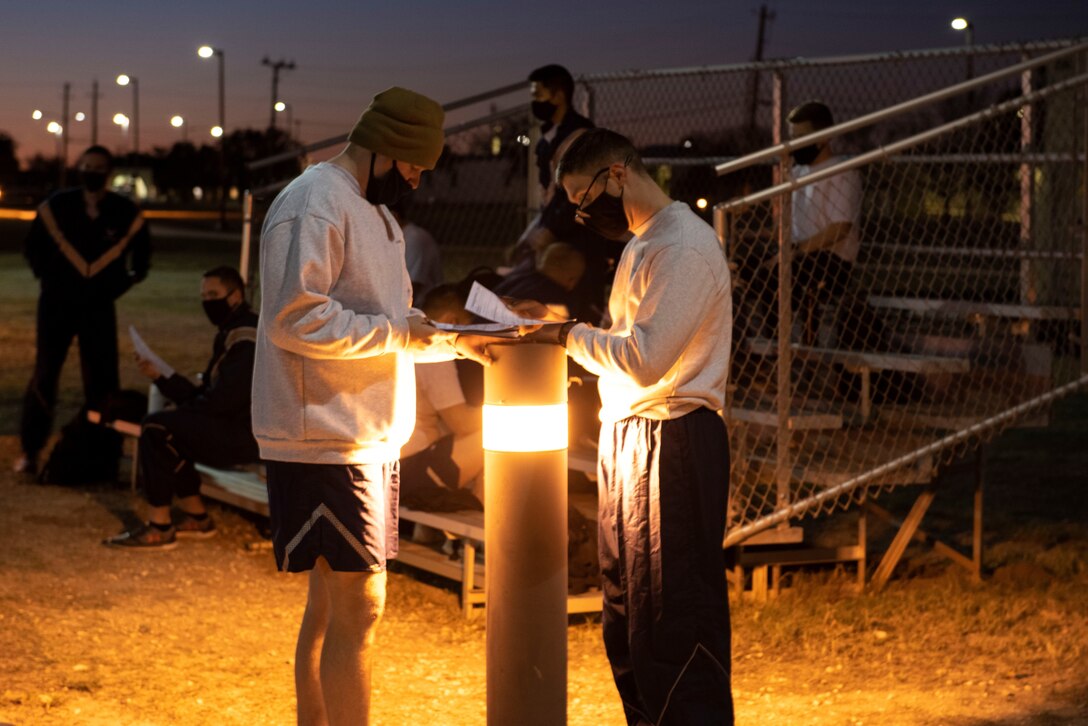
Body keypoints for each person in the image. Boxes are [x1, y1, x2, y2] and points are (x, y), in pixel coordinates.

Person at [251, 87, 489, 726]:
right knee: (361, 608)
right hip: (324, 434)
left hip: (362, 435)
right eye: (413, 165)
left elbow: (393, 319)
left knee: (331, 608)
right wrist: (399, 335)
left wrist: (455, 344)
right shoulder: (316, 201)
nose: (415, 179)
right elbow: (293, 317)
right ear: (385, 147)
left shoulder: (374, 214)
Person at [532, 128, 735, 724]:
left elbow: (646, 357)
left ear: (617, 175)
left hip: (670, 436)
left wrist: (568, 335)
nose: (579, 213)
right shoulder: (644, 243)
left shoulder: (681, 247)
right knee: (629, 618)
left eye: (581, 197)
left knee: (674, 618)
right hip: (633, 437)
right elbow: (627, 343)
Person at [15, 145, 151, 475]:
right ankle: (31, 450)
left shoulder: (124, 212)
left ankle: (104, 453)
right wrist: (53, 279)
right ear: (79, 168)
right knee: (45, 374)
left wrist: (119, 284)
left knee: (103, 379)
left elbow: (141, 261)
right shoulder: (57, 206)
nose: (93, 171)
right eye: (87, 166)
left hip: (99, 309)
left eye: (99, 167)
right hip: (56, 306)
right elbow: (33, 249)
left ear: (109, 171)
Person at [103, 266, 259, 549]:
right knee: (166, 426)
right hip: (233, 424)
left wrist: (184, 411)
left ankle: (160, 526)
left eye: (214, 294)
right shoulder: (231, 331)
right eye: (203, 295)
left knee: (157, 427)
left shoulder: (245, 337)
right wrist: (160, 377)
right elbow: (210, 396)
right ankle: (197, 518)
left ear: (236, 296)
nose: (208, 302)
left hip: (246, 434)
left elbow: (223, 401)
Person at [751, 100, 862, 339]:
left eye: (801, 137)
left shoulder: (843, 171)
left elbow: (840, 229)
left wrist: (795, 251)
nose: (794, 144)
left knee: (779, 272)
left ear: (823, 138)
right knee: (742, 264)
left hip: (833, 259)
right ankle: (748, 347)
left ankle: (782, 347)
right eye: (792, 137)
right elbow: (786, 222)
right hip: (797, 250)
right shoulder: (797, 172)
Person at [399, 284, 483, 512]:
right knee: (499, 433)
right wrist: (502, 406)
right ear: (451, 319)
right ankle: (485, 522)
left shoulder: (402, 335)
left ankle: (430, 535)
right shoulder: (434, 346)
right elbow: (462, 423)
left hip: (392, 463)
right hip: (413, 469)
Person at [493, 241, 588, 320]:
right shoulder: (558, 299)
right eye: (574, 279)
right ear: (570, 279)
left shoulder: (518, 278)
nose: (572, 285)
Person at [389, 200, 442, 301]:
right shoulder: (399, 237)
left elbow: (412, 286)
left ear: (393, 215)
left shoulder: (413, 238)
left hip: (424, 305)